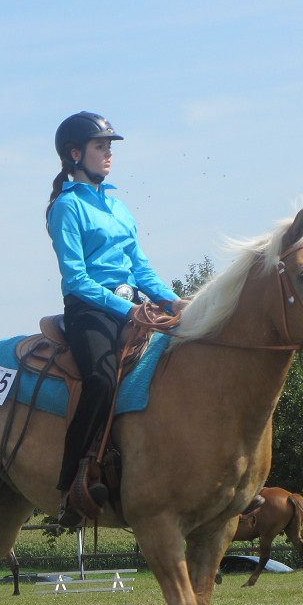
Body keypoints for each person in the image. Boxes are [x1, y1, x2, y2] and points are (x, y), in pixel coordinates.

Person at [46, 111, 183, 526]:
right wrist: (127, 309)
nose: (109, 155)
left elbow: (141, 268)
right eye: (100, 147)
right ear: (75, 154)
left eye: (110, 148)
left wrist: (174, 302)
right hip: (91, 310)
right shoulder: (66, 208)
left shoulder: (119, 207)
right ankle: (73, 485)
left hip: (136, 302)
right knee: (102, 380)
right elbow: (76, 277)